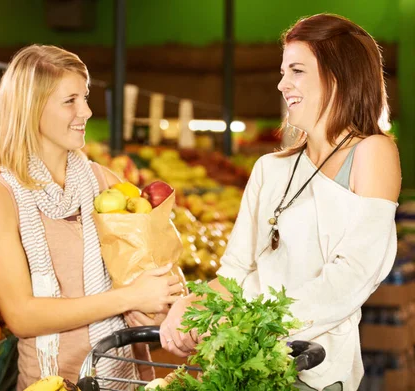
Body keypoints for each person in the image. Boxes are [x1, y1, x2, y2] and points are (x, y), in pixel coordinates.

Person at [158, 13, 401, 391]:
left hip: (314, 370)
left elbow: (350, 278)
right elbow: (236, 272)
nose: (282, 83)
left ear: (339, 76)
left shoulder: (372, 152)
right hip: (242, 365)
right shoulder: (270, 168)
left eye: (297, 70)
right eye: (283, 71)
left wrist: (249, 322)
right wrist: (193, 305)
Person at [0, 45, 182, 391]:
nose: (85, 111)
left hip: (124, 376)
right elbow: (22, 316)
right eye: (70, 101)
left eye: (84, 97)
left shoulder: (106, 183)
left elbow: (158, 276)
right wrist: (128, 298)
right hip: (53, 381)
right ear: (31, 107)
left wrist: (156, 306)